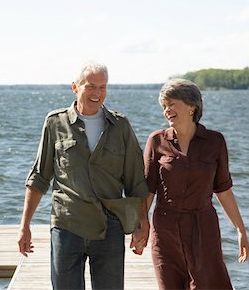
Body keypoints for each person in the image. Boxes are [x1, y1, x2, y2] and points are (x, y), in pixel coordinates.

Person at [18, 61, 150, 289]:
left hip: (110, 226)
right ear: (75, 87)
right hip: (68, 224)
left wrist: (143, 222)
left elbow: (135, 180)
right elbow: (39, 177)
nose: (97, 93)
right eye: (90, 86)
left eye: (102, 87)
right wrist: (25, 225)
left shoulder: (120, 126)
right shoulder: (55, 123)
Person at [143, 78, 249, 289]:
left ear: (192, 106)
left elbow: (224, 189)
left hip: (204, 228)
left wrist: (240, 230)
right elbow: (148, 189)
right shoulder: (156, 141)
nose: (167, 110)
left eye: (172, 104)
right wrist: (141, 225)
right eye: (164, 106)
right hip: (166, 229)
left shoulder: (215, 142)